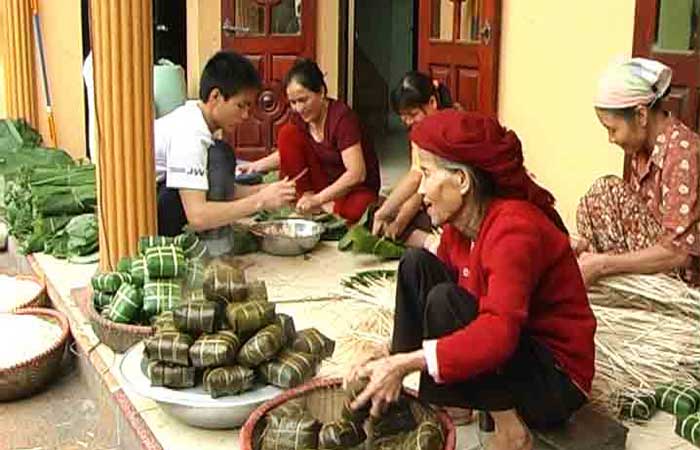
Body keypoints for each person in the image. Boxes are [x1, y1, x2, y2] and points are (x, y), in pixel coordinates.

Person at [346, 110, 596, 450]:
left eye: (428, 174)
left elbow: (499, 333)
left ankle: (511, 431)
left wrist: (410, 361)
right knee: (416, 264)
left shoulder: (514, 229)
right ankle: (402, 394)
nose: (419, 190)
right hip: (517, 359)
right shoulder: (460, 228)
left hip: (555, 380)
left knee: (446, 302)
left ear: (462, 181)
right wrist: (388, 355)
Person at [576, 58, 700, 286]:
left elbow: (679, 254)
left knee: (606, 190)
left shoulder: (684, 155)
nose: (611, 139)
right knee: (590, 204)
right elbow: (636, 225)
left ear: (641, 115)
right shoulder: (642, 151)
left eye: (613, 129)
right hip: (654, 264)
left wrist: (602, 264)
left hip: (681, 281)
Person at [154, 51, 296, 236]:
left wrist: (266, 190)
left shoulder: (195, 116)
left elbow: (219, 189)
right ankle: (202, 243)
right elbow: (197, 216)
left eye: (249, 107)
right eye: (240, 105)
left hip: (163, 196)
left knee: (219, 154)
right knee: (220, 156)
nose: (246, 115)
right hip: (147, 213)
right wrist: (260, 201)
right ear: (215, 96)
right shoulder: (190, 135)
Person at [239, 59, 380, 223]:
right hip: (322, 182)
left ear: (321, 92)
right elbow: (288, 152)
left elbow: (357, 173)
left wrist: (318, 200)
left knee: (358, 210)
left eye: (303, 100)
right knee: (288, 134)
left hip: (353, 188)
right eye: (293, 102)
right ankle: (308, 199)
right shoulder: (300, 118)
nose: (298, 108)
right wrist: (256, 166)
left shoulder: (342, 119)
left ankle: (320, 206)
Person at [372, 72, 455, 248]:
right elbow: (417, 173)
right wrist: (390, 214)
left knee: (401, 221)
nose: (409, 122)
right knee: (385, 211)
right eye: (404, 117)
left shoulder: (450, 128)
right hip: (431, 194)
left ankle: (437, 245)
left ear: (432, 103)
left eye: (413, 114)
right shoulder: (420, 131)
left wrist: (398, 220)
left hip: (452, 199)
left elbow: (420, 181)